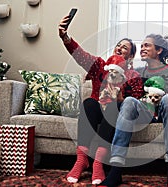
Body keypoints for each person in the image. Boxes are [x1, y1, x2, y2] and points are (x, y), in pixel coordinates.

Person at [99, 34, 168, 187]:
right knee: (130, 101)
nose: (142, 48)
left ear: (159, 50)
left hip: (167, 113)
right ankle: (116, 170)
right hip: (145, 113)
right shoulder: (136, 73)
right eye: (142, 46)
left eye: (147, 45)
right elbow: (126, 100)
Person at [58, 15, 144, 184]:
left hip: (114, 113)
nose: (119, 48)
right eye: (118, 45)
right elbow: (80, 55)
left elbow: (135, 102)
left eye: (125, 47)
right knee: (89, 103)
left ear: (131, 55)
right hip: (97, 109)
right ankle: (81, 159)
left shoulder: (133, 76)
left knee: (113, 107)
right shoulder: (99, 65)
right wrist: (65, 37)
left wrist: (119, 97)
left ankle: (98, 163)